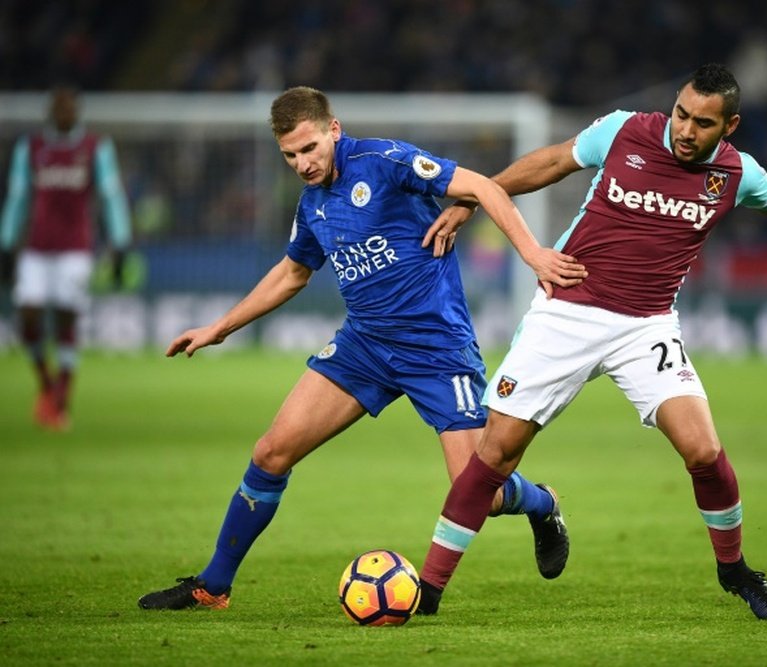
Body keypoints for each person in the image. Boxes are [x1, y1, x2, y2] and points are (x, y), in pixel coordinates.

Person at [415, 63, 767, 621]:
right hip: (566, 311)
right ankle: (428, 592)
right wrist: (475, 196)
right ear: (673, 105)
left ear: (730, 126)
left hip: (646, 326)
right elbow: (550, 161)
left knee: (704, 451)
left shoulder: (736, 174)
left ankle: (736, 571)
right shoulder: (623, 131)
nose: (686, 131)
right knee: (494, 454)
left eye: (703, 123)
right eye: (681, 114)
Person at [137, 86, 586, 610]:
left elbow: (484, 187)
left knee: (480, 495)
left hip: (436, 349)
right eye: (290, 155)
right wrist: (221, 327)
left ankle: (542, 503)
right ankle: (212, 587)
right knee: (271, 452)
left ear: (334, 129)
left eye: (309, 148)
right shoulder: (313, 206)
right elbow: (292, 273)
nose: (302, 163)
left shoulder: (385, 161)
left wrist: (533, 255)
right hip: (364, 346)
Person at [0, 86, 132, 431]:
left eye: (69, 108)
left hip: (76, 248)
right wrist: (6, 243)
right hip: (36, 248)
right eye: (59, 108)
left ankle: (61, 396)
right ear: (50, 113)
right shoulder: (30, 148)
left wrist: (119, 243)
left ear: (77, 112)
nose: (64, 114)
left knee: (64, 319)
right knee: (27, 315)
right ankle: (46, 383)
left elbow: (111, 195)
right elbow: (17, 197)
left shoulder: (94, 148)